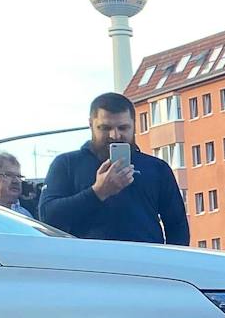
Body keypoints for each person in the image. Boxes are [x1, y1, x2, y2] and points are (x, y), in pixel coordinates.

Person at [39, 92, 189, 245]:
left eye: (123, 128)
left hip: (144, 262)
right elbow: (47, 217)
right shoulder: (67, 164)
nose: (115, 135)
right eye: (105, 128)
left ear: (134, 126)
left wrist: (170, 265)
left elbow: (178, 227)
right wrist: (97, 192)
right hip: (87, 263)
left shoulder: (157, 169)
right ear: (91, 125)